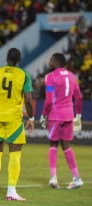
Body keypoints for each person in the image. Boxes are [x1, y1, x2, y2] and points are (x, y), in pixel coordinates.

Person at [0, 48, 34, 201]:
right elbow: (28, 100)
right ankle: (11, 191)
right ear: (19, 59)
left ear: (7, 58)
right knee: (15, 154)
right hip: (14, 118)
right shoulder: (24, 75)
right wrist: (31, 117)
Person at [40, 53, 83, 190]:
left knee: (53, 144)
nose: (49, 62)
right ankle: (76, 178)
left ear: (56, 62)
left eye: (51, 60)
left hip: (55, 115)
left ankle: (53, 177)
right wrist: (78, 116)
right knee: (66, 146)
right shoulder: (72, 76)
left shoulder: (50, 77)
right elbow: (79, 97)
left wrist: (44, 114)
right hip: (69, 115)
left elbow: (48, 99)